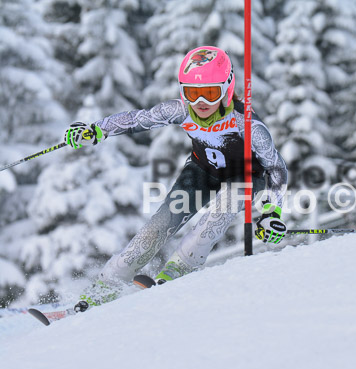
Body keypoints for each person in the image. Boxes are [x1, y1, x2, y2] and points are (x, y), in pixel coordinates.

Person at [63, 46, 288, 311]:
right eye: (192, 93)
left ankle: (179, 269)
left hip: (247, 175)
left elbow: (276, 167)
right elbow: (138, 119)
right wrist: (96, 129)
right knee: (160, 223)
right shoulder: (180, 110)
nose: (200, 102)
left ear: (226, 89)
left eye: (210, 93)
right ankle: (107, 285)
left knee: (220, 213)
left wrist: (271, 212)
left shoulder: (246, 123)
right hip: (203, 171)